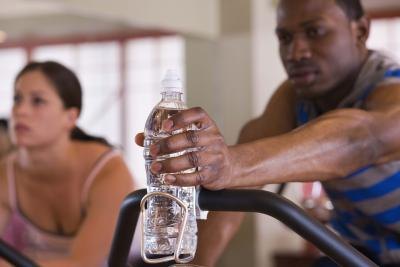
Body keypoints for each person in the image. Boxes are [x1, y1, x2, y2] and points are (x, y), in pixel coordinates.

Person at [135, 0, 400, 266]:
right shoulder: (296, 97)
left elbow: (359, 142)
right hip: (360, 252)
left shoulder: (392, 89)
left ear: (361, 31)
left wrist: (231, 163)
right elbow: (242, 172)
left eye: (314, 32)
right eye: (285, 37)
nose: (296, 53)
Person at [0, 61, 137, 267]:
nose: (20, 110)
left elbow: (84, 263)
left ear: (70, 117)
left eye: (37, 101)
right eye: (17, 99)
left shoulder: (108, 170)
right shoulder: (6, 173)